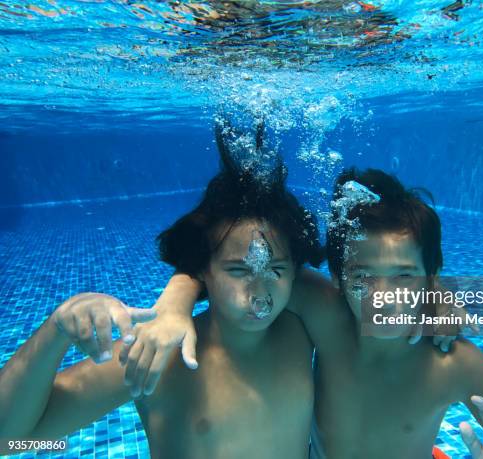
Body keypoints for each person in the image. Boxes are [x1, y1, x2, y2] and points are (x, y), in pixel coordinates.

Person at [130, 168, 483, 458]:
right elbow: (232, 267)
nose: (382, 298)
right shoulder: (329, 315)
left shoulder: (453, 363)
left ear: (433, 277)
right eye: (363, 276)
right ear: (338, 279)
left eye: (404, 277)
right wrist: (175, 303)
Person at [0, 119, 323, 458]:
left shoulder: (303, 330)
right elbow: (8, 440)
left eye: (275, 269)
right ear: (203, 270)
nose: (259, 292)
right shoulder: (158, 354)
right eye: (239, 270)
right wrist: (57, 329)